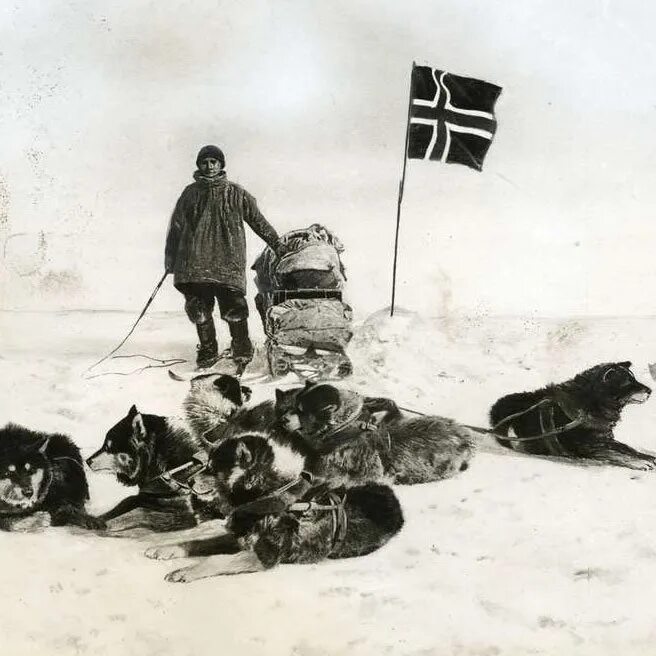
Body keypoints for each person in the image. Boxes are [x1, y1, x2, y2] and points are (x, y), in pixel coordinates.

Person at [165, 145, 283, 370]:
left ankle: (242, 349)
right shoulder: (190, 193)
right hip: (194, 264)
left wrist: (277, 245)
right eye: (205, 162)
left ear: (221, 165)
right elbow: (176, 227)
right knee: (199, 310)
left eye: (213, 162)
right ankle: (208, 351)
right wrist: (171, 258)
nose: (209, 167)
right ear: (199, 165)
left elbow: (258, 221)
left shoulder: (237, 193)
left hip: (227, 263)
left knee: (234, 309)